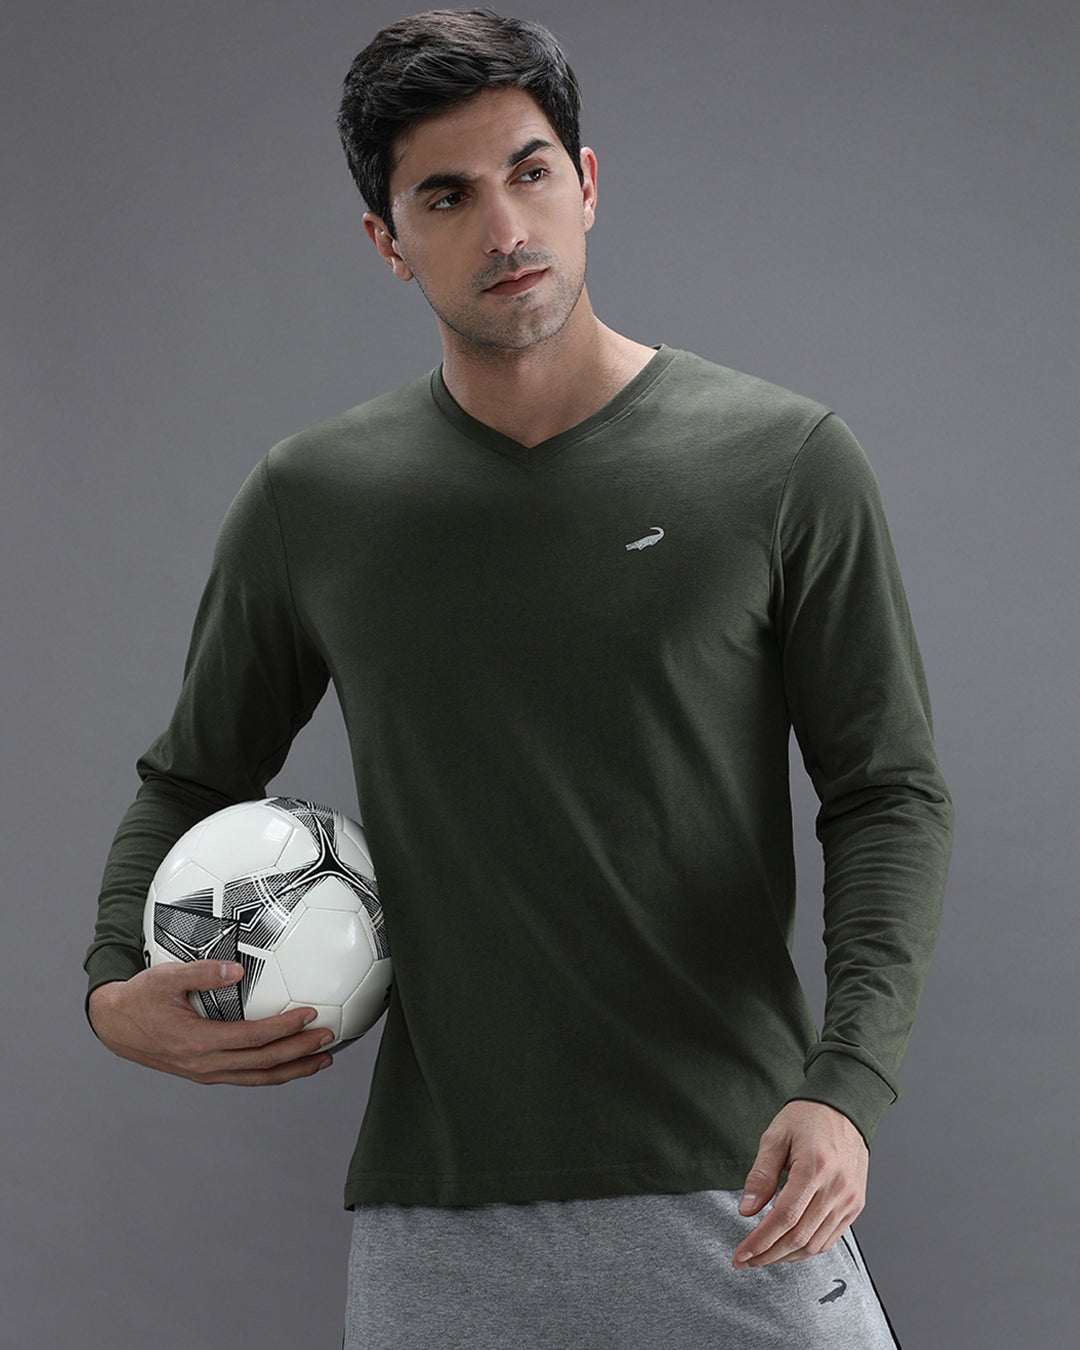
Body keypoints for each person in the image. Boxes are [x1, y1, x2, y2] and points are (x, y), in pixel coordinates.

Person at [84, 10, 953, 1347]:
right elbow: (190, 777)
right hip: (440, 1218)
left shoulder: (783, 463)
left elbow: (888, 793)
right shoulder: (315, 500)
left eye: (530, 172)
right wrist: (111, 988)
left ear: (586, 183)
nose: (504, 226)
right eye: (447, 196)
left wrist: (850, 1085)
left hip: (741, 1181)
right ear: (387, 240)